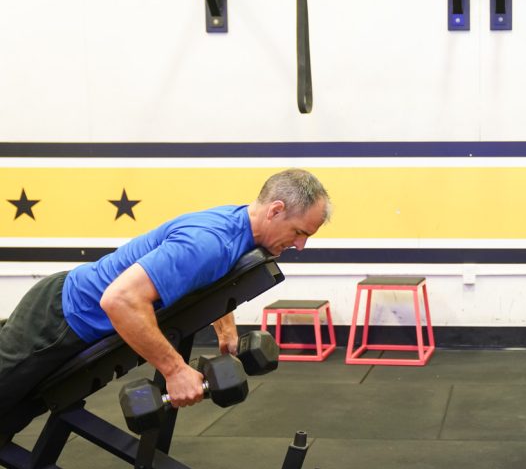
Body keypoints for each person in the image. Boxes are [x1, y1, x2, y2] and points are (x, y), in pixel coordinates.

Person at [0, 168, 331, 428]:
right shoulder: (207, 243)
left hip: (72, 315)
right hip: (58, 319)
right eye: (300, 232)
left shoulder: (238, 229)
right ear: (275, 210)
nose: (300, 246)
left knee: (16, 411)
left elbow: (208, 282)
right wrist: (175, 371)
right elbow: (119, 300)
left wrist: (226, 330)